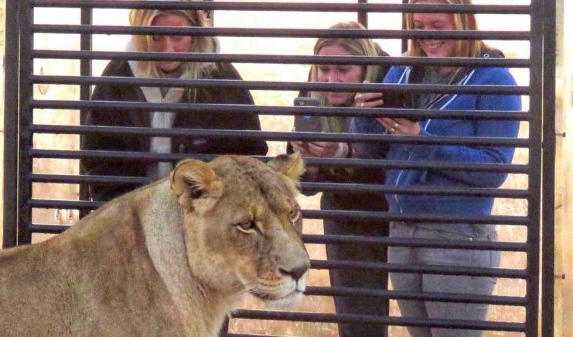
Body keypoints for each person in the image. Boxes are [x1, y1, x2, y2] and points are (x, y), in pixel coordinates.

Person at [346, 1, 522, 337]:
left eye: (437, 26)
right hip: (401, 232)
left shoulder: (494, 80)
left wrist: (421, 139)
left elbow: (493, 170)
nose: (427, 36)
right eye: (419, 25)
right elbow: (373, 151)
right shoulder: (403, 71)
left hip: (457, 237)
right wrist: (364, 116)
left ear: (462, 22)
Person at [81, 5, 267, 202]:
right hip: (135, 215)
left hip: (204, 216)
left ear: (195, 33)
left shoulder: (222, 79)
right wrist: (118, 214)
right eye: (155, 37)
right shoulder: (118, 76)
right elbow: (97, 154)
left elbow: (249, 154)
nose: (167, 49)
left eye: (177, 37)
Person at [288, 21, 390, 337]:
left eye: (343, 70)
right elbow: (306, 186)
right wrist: (307, 160)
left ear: (365, 67)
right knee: (359, 319)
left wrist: (342, 153)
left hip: (400, 210)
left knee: (426, 314)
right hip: (347, 215)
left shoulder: (390, 85)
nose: (331, 80)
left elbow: (399, 163)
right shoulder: (311, 94)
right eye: (324, 69)